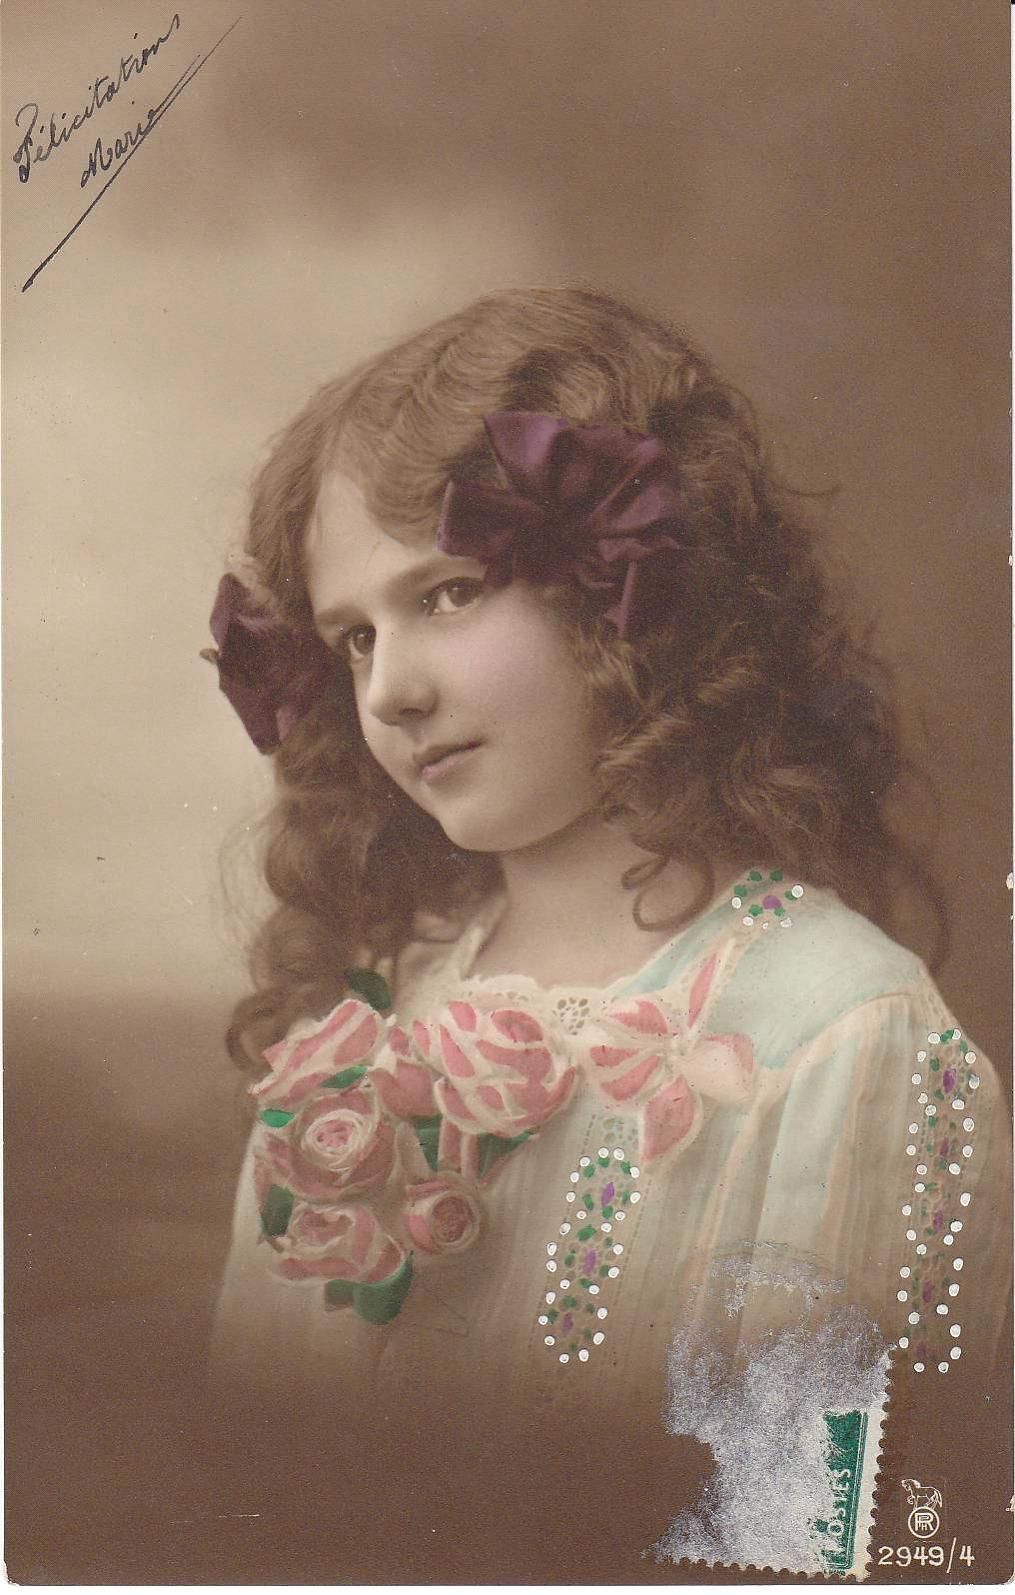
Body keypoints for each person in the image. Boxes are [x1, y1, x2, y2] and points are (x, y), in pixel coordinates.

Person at [202, 288, 1009, 1577]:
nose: (391, 689)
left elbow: (814, 1546)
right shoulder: (358, 1032)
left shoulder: (841, 1036)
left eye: (450, 593)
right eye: (353, 638)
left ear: (626, 594)